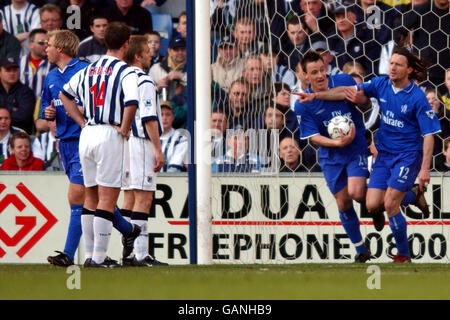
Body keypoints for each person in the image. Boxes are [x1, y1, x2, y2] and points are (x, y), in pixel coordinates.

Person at [300, 47, 442, 263]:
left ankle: (403, 255)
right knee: (372, 204)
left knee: (390, 204)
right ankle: (413, 195)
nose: (392, 68)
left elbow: (430, 134)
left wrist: (424, 168)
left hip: (407, 155)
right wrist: (316, 96)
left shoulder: (417, 98)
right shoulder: (380, 84)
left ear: (409, 69)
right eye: (391, 63)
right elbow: (349, 93)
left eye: (398, 65)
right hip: (384, 155)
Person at [58, 23, 141, 268]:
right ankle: (100, 257)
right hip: (108, 133)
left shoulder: (89, 68)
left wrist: (81, 121)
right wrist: (125, 129)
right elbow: (132, 102)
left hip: (88, 133)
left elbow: (64, 95)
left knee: (90, 197)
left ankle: (89, 256)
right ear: (126, 44)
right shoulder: (125, 71)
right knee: (107, 197)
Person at [294, 51, 372, 263]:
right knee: (344, 203)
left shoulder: (344, 81)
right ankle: (361, 250)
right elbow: (313, 137)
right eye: (314, 73)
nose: (320, 75)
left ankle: (381, 203)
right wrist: (337, 142)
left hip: (355, 147)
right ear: (305, 76)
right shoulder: (302, 103)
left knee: (356, 193)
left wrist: (362, 101)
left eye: (322, 70)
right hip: (331, 156)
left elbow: (367, 106)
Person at [121, 35, 167, 266]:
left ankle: (127, 255)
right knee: (143, 198)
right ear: (138, 56)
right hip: (140, 142)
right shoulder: (144, 80)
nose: (152, 55)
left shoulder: (121, 77)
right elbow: (149, 118)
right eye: (148, 52)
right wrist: (158, 150)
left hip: (124, 142)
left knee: (129, 198)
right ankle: (140, 254)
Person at [0, 58, 35, 134]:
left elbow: (24, 117)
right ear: (0, 72)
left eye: (15, 70)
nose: (12, 73)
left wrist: (3, 114)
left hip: (20, 135)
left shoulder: (26, 92)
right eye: (8, 70)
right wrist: (13, 109)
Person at [149, 36, 187, 101]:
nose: (180, 52)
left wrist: (181, 76)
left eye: (183, 49)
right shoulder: (156, 68)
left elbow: (199, 86)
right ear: (169, 51)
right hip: (163, 108)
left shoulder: (194, 68)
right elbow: (147, 94)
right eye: (176, 50)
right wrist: (158, 87)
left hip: (186, 108)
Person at [159, 100, 188, 172]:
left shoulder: (181, 138)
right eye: (161, 114)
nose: (164, 118)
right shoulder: (148, 138)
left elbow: (174, 169)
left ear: (173, 117)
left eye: (168, 114)